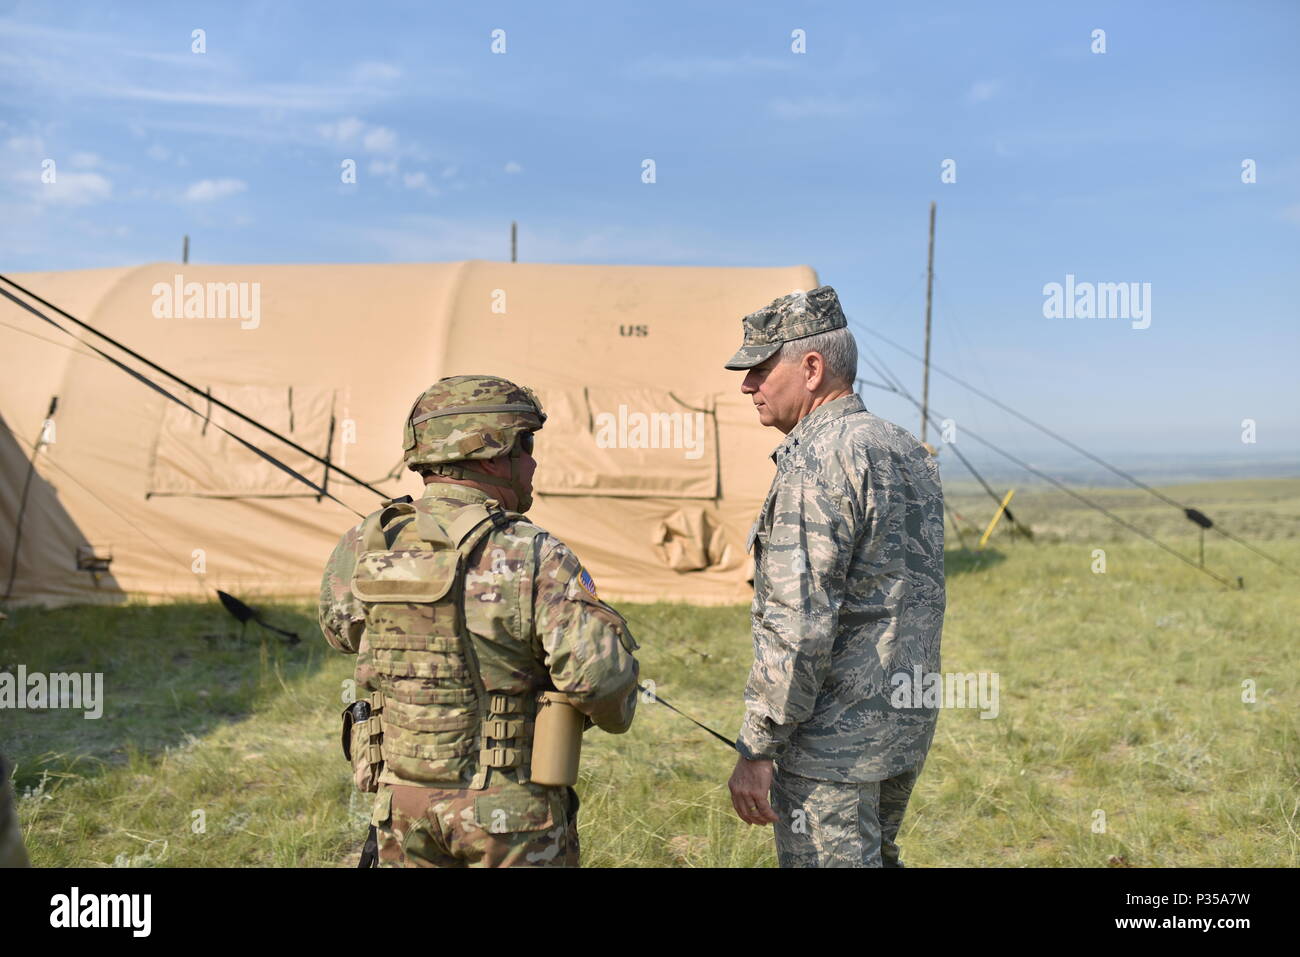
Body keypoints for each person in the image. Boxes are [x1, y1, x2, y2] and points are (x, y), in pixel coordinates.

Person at [319, 375, 640, 867]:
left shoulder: (364, 543)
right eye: (526, 444)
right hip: (508, 815)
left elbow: (342, 632)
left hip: (400, 808)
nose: (533, 461)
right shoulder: (534, 552)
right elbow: (600, 681)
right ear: (492, 454)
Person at [722, 286, 946, 868]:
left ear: (813, 368)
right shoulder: (905, 449)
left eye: (760, 369)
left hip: (831, 745)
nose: (748, 385)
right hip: (901, 726)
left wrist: (759, 745)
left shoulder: (817, 461)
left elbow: (800, 620)